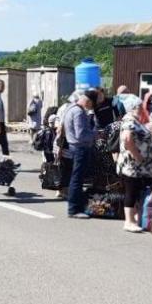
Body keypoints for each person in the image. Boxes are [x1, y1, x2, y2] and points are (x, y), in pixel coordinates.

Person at [116, 93, 152, 232]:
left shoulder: (134, 120)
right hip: (132, 165)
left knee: (134, 191)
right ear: (133, 107)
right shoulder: (130, 120)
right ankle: (129, 221)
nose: (142, 108)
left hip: (137, 165)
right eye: (139, 106)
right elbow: (127, 139)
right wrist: (137, 156)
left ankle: (134, 218)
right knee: (131, 192)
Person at [64, 89, 97, 218]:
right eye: (91, 104)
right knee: (77, 180)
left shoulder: (70, 108)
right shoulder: (78, 112)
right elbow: (81, 135)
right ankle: (74, 210)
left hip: (74, 147)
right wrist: (95, 134)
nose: (91, 108)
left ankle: (77, 207)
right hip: (79, 148)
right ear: (88, 101)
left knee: (76, 178)